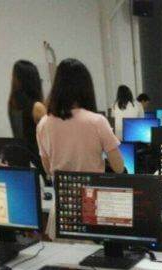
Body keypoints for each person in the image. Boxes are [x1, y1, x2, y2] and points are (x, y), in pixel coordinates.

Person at [37, 58, 124, 238]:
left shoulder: (44, 123)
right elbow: (118, 167)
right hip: (93, 206)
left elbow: (47, 168)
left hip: (62, 209)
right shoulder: (96, 121)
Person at [8, 60, 47, 173]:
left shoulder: (12, 103)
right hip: (38, 162)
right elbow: (49, 139)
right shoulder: (37, 107)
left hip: (20, 161)